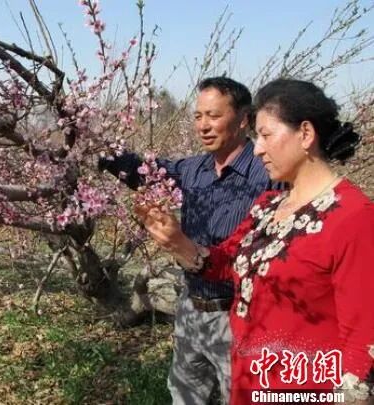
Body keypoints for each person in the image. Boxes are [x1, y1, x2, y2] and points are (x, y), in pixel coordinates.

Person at [136, 78, 374, 404]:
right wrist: (176, 241)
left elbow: (363, 341)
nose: (258, 148)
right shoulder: (269, 206)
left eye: (266, 135)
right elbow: (226, 263)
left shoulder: (354, 217)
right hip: (249, 381)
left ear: (305, 134)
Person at [100, 77, 280, 404]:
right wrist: (100, 150)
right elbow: (146, 171)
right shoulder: (194, 169)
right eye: (198, 116)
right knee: (184, 394)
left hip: (242, 315)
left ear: (243, 119)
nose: (203, 125)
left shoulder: (269, 174)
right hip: (191, 308)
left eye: (213, 116)